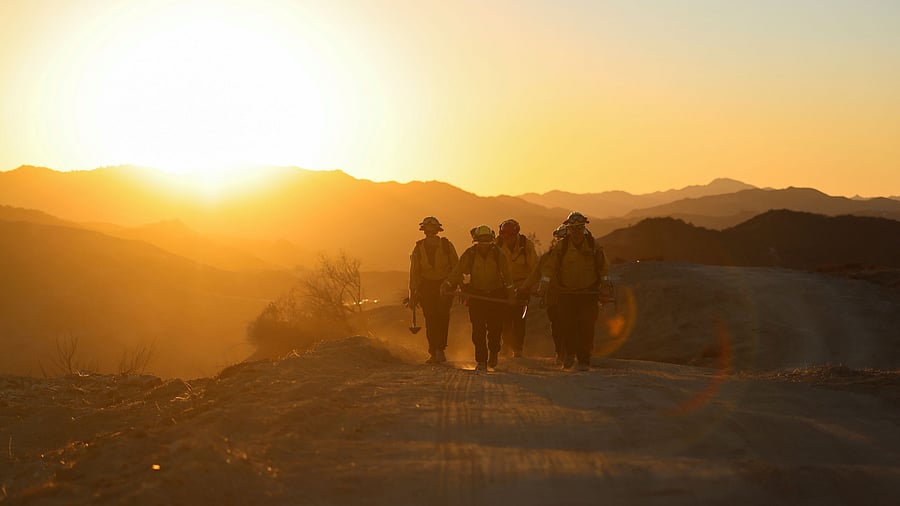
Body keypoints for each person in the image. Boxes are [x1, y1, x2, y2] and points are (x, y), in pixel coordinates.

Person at [441, 225, 515, 371]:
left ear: (491, 240)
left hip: (496, 295)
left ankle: (493, 352)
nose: (484, 244)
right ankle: (481, 361)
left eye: (487, 241)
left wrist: (511, 293)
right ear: (476, 241)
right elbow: (458, 270)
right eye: (481, 241)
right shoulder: (470, 254)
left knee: (495, 329)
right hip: (477, 296)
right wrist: (447, 283)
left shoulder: (498, 254)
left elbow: (507, 276)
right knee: (478, 330)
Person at [544, 212, 608, 371]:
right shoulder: (562, 247)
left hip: (588, 293)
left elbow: (603, 267)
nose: (577, 231)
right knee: (567, 326)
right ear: (569, 229)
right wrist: (545, 284)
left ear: (584, 228)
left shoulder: (594, 245)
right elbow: (550, 267)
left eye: (580, 227)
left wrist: (605, 285)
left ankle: (584, 360)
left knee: (587, 327)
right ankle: (570, 354)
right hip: (567, 294)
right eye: (574, 228)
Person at [409, 216, 459, 364]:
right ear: (424, 231)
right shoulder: (418, 248)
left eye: (433, 230)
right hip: (426, 287)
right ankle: (433, 351)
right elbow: (414, 272)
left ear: (437, 231)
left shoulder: (446, 245)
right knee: (430, 318)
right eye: (428, 230)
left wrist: (455, 283)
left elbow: (456, 266)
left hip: (445, 286)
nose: (430, 233)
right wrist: (413, 293)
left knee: (442, 317)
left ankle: (440, 349)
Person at [518, 223, 569, 364]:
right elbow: (536, 274)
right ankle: (561, 353)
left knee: (573, 325)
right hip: (553, 297)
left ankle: (573, 353)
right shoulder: (547, 257)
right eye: (560, 239)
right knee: (557, 326)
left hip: (573, 296)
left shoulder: (582, 256)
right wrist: (524, 287)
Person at [496, 219, 537, 357]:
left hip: (522, 287)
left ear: (515, 234)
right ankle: (505, 346)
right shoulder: (497, 245)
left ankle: (518, 349)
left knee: (519, 319)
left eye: (509, 235)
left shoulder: (527, 246)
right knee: (504, 318)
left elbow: (534, 268)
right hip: (503, 287)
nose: (507, 238)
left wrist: (530, 286)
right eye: (504, 235)